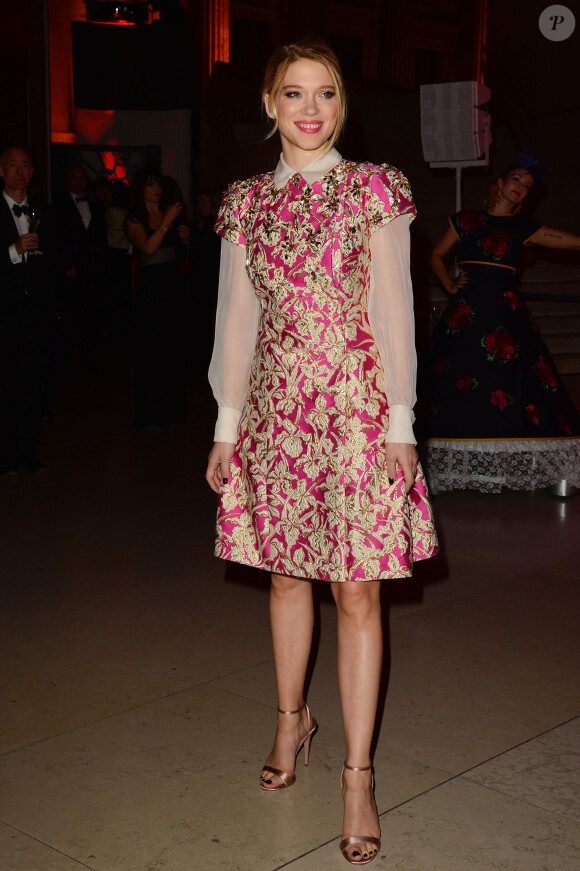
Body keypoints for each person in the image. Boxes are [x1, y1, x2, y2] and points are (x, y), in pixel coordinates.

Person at [205, 41, 438, 866]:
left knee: (359, 589)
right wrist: (227, 422)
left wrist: (402, 420)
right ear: (269, 103)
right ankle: (289, 719)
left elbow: (396, 310)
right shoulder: (245, 203)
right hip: (275, 414)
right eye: (295, 93)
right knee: (284, 574)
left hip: (360, 414)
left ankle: (357, 774)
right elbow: (237, 319)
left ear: (343, 104)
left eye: (327, 93)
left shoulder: (374, 188)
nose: (311, 109)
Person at [421, 166, 580, 493]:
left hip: (505, 318)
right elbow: (436, 254)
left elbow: (572, 242)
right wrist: (448, 284)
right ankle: (442, 473)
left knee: (517, 385)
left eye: (528, 185)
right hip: (465, 316)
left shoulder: (523, 227)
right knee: (452, 383)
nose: (521, 186)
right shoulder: (466, 220)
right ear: (500, 183)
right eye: (516, 179)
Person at [0, 146, 62, 474]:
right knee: (6, 386)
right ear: (2, 171)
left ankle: (25, 454)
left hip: (36, 316)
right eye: (13, 165)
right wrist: (14, 249)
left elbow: (57, 261)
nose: (20, 171)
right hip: (5, 315)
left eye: (25, 165)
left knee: (32, 387)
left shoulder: (44, 212)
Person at [126, 168, 190, 429]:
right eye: (151, 185)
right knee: (151, 348)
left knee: (172, 346)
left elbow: (178, 254)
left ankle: (171, 411)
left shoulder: (167, 212)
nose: (156, 190)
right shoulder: (134, 218)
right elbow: (149, 247)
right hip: (151, 287)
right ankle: (150, 413)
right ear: (141, 188)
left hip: (171, 283)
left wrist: (185, 239)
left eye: (158, 185)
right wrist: (168, 221)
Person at [56, 164, 107, 369]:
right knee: (70, 312)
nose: (79, 182)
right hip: (71, 270)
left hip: (92, 269)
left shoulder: (95, 205)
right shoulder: (59, 205)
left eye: (82, 178)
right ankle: (69, 359)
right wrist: (66, 265)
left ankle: (89, 356)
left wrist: (99, 257)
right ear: (69, 180)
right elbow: (58, 239)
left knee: (91, 311)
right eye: (75, 178)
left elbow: (100, 235)